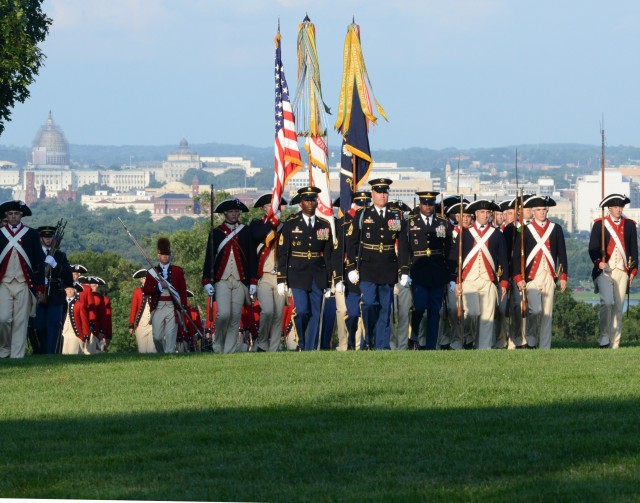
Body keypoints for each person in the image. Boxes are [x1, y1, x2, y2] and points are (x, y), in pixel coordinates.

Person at [346, 178, 403, 350]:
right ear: (372, 194)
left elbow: (403, 244)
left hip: (387, 266)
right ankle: (368, 337)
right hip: (368, 267)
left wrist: (404, 269)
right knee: (370, 304)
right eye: (379, 192)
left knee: (385, 308)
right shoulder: (364, 215)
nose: (382, 196)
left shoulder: (395, 215)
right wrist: (350, 267)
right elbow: (352, 242)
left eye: (385, 192)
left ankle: (382, 345)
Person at [277, 186, 333, 351]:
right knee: (302, 311)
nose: (310, 203)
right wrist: (282, 279)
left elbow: (328, 255)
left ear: (317, 202)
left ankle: (310, 347)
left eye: (313, 199)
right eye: (307, 200)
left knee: (316, 313)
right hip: (297, 273)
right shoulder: (291, 223)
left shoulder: (324, 224)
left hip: (318, 273)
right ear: (300, 203)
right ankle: (301, 339)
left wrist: (330, 281)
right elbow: (283, 253)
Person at [451, 199, 509, 349]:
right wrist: (457, 281)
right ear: (476, 214)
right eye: (482, 212)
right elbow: (455, 259)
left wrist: (503, 282)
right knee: (471, 313)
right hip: (468, 279)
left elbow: (503, 259)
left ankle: (483, 348)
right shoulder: (465, 234)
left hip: (488, 279)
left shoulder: (497, 234)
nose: (485, 215)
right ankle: (468, 339)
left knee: (487, 317)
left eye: (488, 213)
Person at [512, 195, 568, 350]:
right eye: (538, 210)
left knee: (547, 314)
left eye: (544, 209)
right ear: (533, 212)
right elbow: (517, 256)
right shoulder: (525, 230)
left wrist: (563, 276)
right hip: (531, 277)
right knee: (535, 310)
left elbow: (562, 254)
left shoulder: (556, 229)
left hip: (549, 275)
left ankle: (545, 347)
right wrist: (518, 277)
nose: (542, 212)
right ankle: (530, 339)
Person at [399, 191, 452, 350]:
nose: (428, 207)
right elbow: (404, 249)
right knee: (420, 307)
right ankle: (414, 336)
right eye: (425, 204)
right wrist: (404, 271)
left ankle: (430, 345)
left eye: (431, 204)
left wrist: (450, 274)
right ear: (420, 204)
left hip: (437, 271)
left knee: (434, 310)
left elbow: (449, 249)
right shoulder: (410, 223)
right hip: (418, 271)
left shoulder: (442, 222)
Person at [202, 198, 257, 354]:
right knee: (224, 314)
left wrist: (253, 280)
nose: (234, 214)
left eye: (236, 211)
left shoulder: (246, 231)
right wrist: (207, 280)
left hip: (240, 280)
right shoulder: (216, 233)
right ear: (225, 213)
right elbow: (209, 258)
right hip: (222, 280)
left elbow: (252, 257)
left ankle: (229, 350)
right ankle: (218, 343)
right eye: (231, 211)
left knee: (235, 317)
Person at [588, 194, 637, 348]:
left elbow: (634, 250)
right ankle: (604, 336)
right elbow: (592, 248)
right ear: (609, 208)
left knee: (618, 306)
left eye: (621, 207)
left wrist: (633, 271)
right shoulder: (599, 225)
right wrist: (598, 262)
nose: (618, 209)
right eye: (616, 207)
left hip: (622, 270)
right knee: (607, 302)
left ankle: (615, 343)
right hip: (604, 270)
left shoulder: (629, 225)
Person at [0, 200, 45, 358]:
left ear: (21, 216)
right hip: (3, 283)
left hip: (24, 283)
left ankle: (17, 355)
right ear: (6, 215)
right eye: (10, 214)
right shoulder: (0, 234)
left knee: (21, 321)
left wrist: (40, 287)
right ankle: (3, 349)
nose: (13, 217)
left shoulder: (31, 234)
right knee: (3, 319)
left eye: (16, 214)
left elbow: (39, 262)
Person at [249, 193, 287, 352]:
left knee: (279, 314)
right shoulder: (257, 224)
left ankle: (274, 347)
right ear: (264, 209)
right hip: (263, 275)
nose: (274, 208)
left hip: (280, 276)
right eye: (271, 205)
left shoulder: (284, 226)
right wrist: (273, 222)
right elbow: (257, 235)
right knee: (268, 311)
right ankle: (262, 342)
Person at [333, 191, 370, 350]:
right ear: (354, 204)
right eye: (360, 204)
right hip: (347, 272)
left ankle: (359, 345)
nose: (362, 207)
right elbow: (337, 252)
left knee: (364, 310)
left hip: (366, 270)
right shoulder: (343, 222)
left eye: (365, 204)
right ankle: (344, 344)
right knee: (346, 312)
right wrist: (338, 277)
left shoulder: (371, 220)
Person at [32, 225, 73, 354]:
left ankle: (52, 352)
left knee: (54, 325)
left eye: (50, 237)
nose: (48, 239)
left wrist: (55, 265)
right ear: (40, 238)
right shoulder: (35, 254)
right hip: (39, 293)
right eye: (45, 237)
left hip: (55, 294)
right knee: (38, 325)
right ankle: (41, 351)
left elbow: (68, 275)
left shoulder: (60, 255)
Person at [144, 237, 188, 354]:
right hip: (158, 307)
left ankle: (169, 355)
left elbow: (183, 290)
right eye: (163, 254)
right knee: (157, 337)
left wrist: (183, 306)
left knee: (170, 335)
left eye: (167, 254)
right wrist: (159, 287)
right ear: (158, 255)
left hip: (172, 307)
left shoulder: (178, 271)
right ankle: (161, 354)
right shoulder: (151, 272)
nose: (165, 256)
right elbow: (146, 289)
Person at [129, 268, 155, 353]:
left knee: (152, 350)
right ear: (141, 280)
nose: (146, 280)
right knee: (142, 350)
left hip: (153, 325)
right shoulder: (137, 291)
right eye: (144, 278)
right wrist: (131, 324)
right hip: (141, 325)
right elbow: (134, 309)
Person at [60, 283, 91, 355]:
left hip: (75, 334)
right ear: (65, 290)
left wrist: (86, 335)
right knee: (63, 356)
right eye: (67, 289)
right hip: (64, 333)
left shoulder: (80, 304)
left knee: (72, 355)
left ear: (75, 290)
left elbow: (84, 321)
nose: (69, 291)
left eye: (71, 289)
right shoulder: (61, 303)